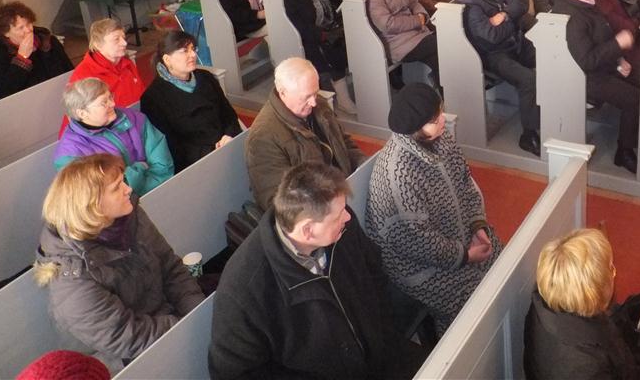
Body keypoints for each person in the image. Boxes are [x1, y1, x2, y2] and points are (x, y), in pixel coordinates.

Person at [209, 161, 426, 380]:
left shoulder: (341, 225)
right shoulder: (242, 291)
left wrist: (384, 334)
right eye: (338, 216)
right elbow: (236, 374)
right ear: (308, 231)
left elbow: (375, 275)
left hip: (381, 355)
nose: (347, 217)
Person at [34, 154, 203, 371]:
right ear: (92, 206)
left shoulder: (126, 217)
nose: (128, 189)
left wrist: (197, 310)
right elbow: (126, 338)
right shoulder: (71, 280)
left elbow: (169, 265)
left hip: (167, 321)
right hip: (128, 360)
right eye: (116, 188)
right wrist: (188, 326)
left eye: (123, 180)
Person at [366, 84, 503, 336]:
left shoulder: (441, 139)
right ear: (415, 129)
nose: (442, 120)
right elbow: (416, 242)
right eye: (433, 120)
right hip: (419, 267)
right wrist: (465, 256)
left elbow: (465, 183)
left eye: (440, 112)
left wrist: (478, 226)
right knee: (476, 307)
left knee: (504, 268)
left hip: (459, 237)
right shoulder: (398, 174)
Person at [552, 0, 640, 173]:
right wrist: (618, 44)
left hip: (602, 67)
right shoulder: (572, 17)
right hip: (582, 77)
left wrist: (619, 60)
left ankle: (633, 134)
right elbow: (587, 60)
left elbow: (603, 35)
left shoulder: (585, 2)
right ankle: (624, 152)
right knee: (633, 99)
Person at [524, 228, 640, 380]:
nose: (613, 273)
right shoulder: (587, 366)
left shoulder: (542, 302)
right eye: (611, 268)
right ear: (594, 292)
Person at [245, 58, 364, 211]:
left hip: (342, 191)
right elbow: (278, 202)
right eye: (306, 97)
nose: (314, 102)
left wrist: (363, 164)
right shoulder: (263, 138)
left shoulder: (318, 104)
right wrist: (331, 204)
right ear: (283, 92)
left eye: (315, 93)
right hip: (318, 209)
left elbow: (343, 142)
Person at [456, 0, 542, 156]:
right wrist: (512, 19)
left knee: (548, 56)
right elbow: (491, 36)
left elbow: (520, 4)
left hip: (513, 43)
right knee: (528, 79)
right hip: (494, 55)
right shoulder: (469, 4)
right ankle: (528, 135)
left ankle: (546, 111)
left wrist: (503, 15)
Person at [140, 30, 241, 172]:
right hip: (195, 163)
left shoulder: (206, 78)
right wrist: (210, 152)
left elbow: (228, 114)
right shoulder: (153, 98)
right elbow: (170, 146)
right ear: (167, 59)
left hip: (226, 144)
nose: (193, 55)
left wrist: (229, 135)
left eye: (193, 49)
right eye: (184, 51)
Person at [55, 78, 174, 195]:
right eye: (104, 102)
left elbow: (162, 164)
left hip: (161, 190)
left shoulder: (134, 117)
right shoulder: (69, 154)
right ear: (82, 113)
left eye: (110, 97)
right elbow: (99, 194)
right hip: (119, 206)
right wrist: (140, 167)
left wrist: (149, 191)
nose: (113, 104)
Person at [269, 0, 357, 114]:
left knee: (348, 39)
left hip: (326, 27)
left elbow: (327, 3)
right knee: (330, 53)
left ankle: (350, 87)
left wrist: (335, 22)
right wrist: (323, 35)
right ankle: (341, 100)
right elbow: (298, 26)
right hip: (307, 38)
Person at [62, 18, 144, 136]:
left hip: (134, 123)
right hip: (106, 134)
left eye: (123, 37)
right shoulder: (84, 76)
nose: (124, 43)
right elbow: (80, 123)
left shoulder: (126, 63)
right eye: (116, 39)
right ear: (98, 44)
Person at [0, 1, 72, 100]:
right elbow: (5, 93)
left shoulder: (48, 41)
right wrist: (22, 59)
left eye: (29, 24)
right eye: (20, 28)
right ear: (6, 33)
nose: (28, 30)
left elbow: (70, 72)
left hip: (58, 96)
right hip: (25, 103)